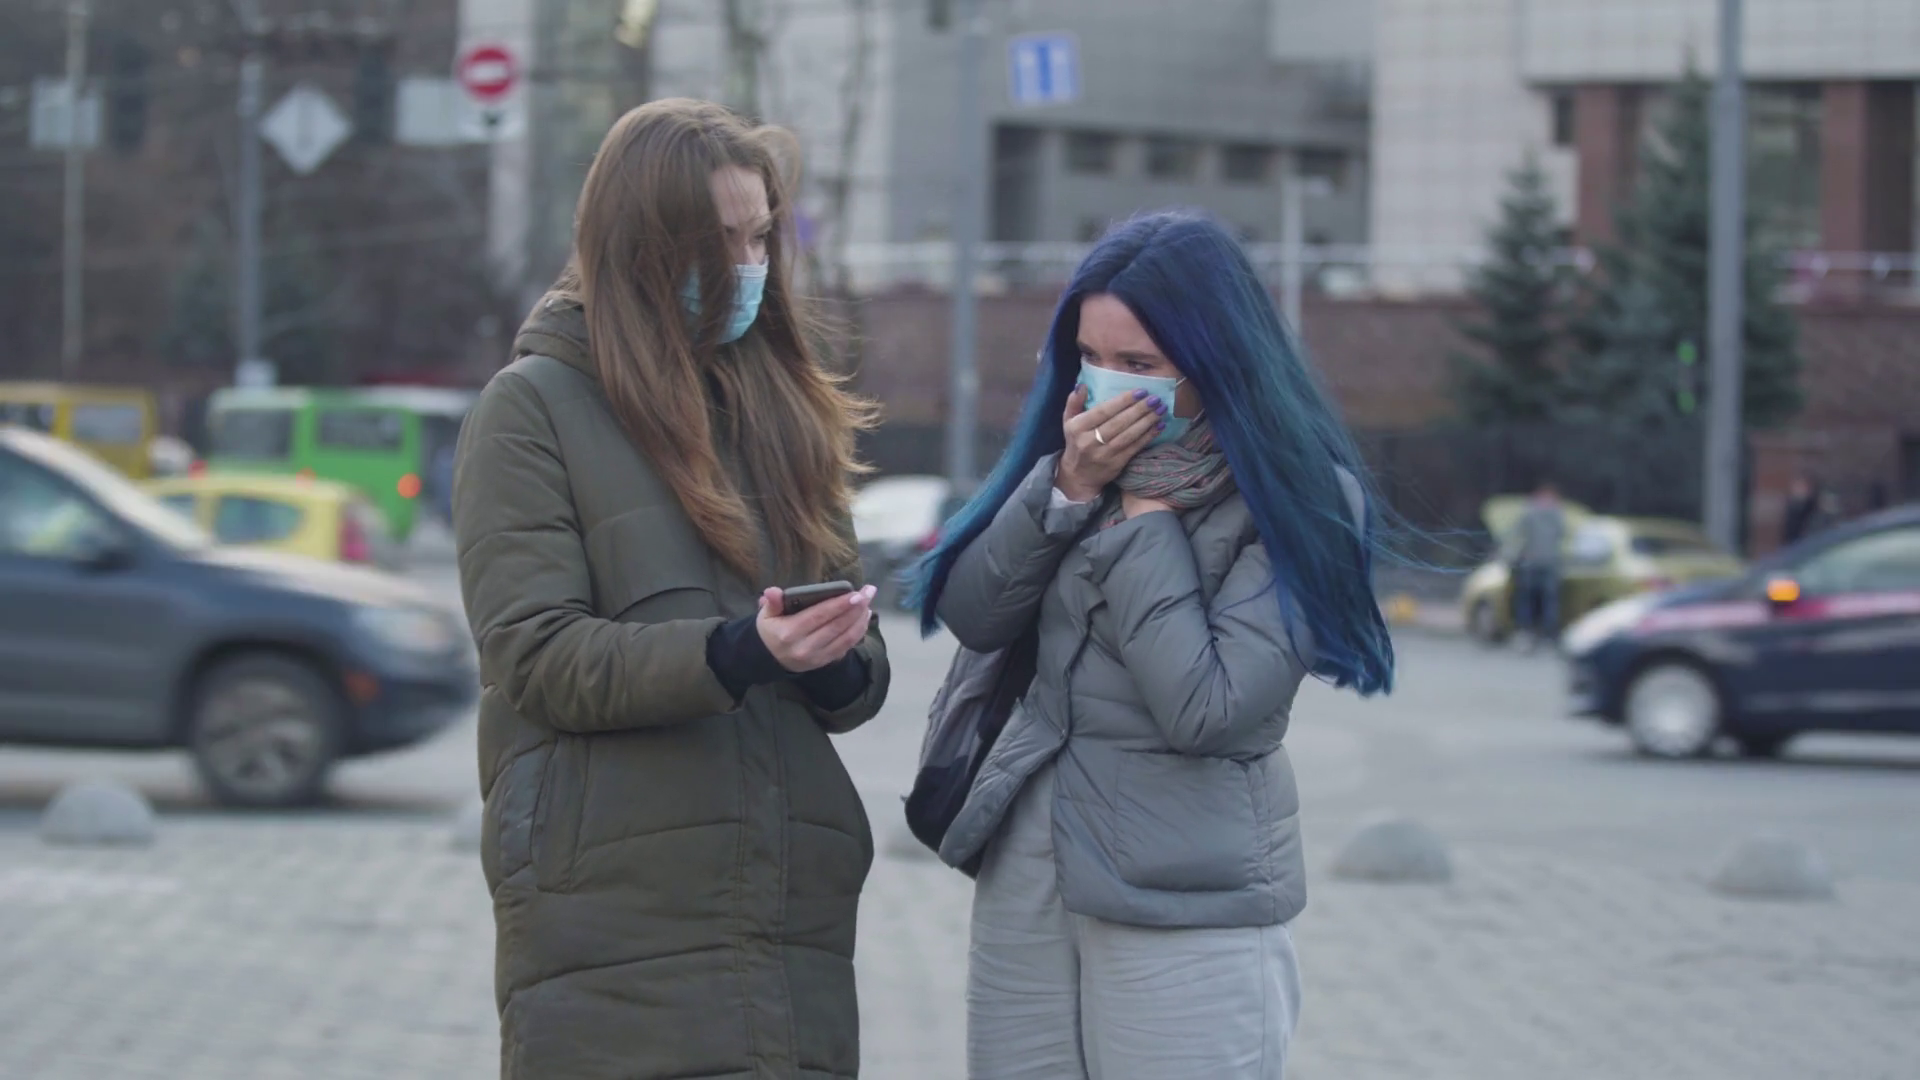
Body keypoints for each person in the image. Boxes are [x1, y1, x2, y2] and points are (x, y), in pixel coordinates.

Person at [452, 99, 890, 1080]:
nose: (746, 265)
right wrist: (737, 652)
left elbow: (858, 676)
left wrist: (829, 658)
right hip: (616, 916)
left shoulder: (783, 410)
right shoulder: (531, 409)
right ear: (640, 248)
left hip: (789, 916)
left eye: (758, 237)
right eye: (717, 241)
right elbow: (534, 655)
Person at [912, 211, 1394, 1079]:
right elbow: (976, 616)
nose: (1108, 386)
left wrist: (1146, 518)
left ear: (1215, 363)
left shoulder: (1304, 500)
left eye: (1139, 365)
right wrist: (1067, 488)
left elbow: (1206, 708)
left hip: (1182, 896)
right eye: (1089, 357)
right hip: (1032, 867)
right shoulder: (1078, 466)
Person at [1511, 481, 1566, 650]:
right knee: (1544, 599)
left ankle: (1530, 632)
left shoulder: (1531, 511)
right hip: (1547, 562)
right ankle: (1544, 634)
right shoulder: (1556, 513)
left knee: (1532, 599)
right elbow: (1562, 533)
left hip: (1535, 562)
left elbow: (1519, 533)